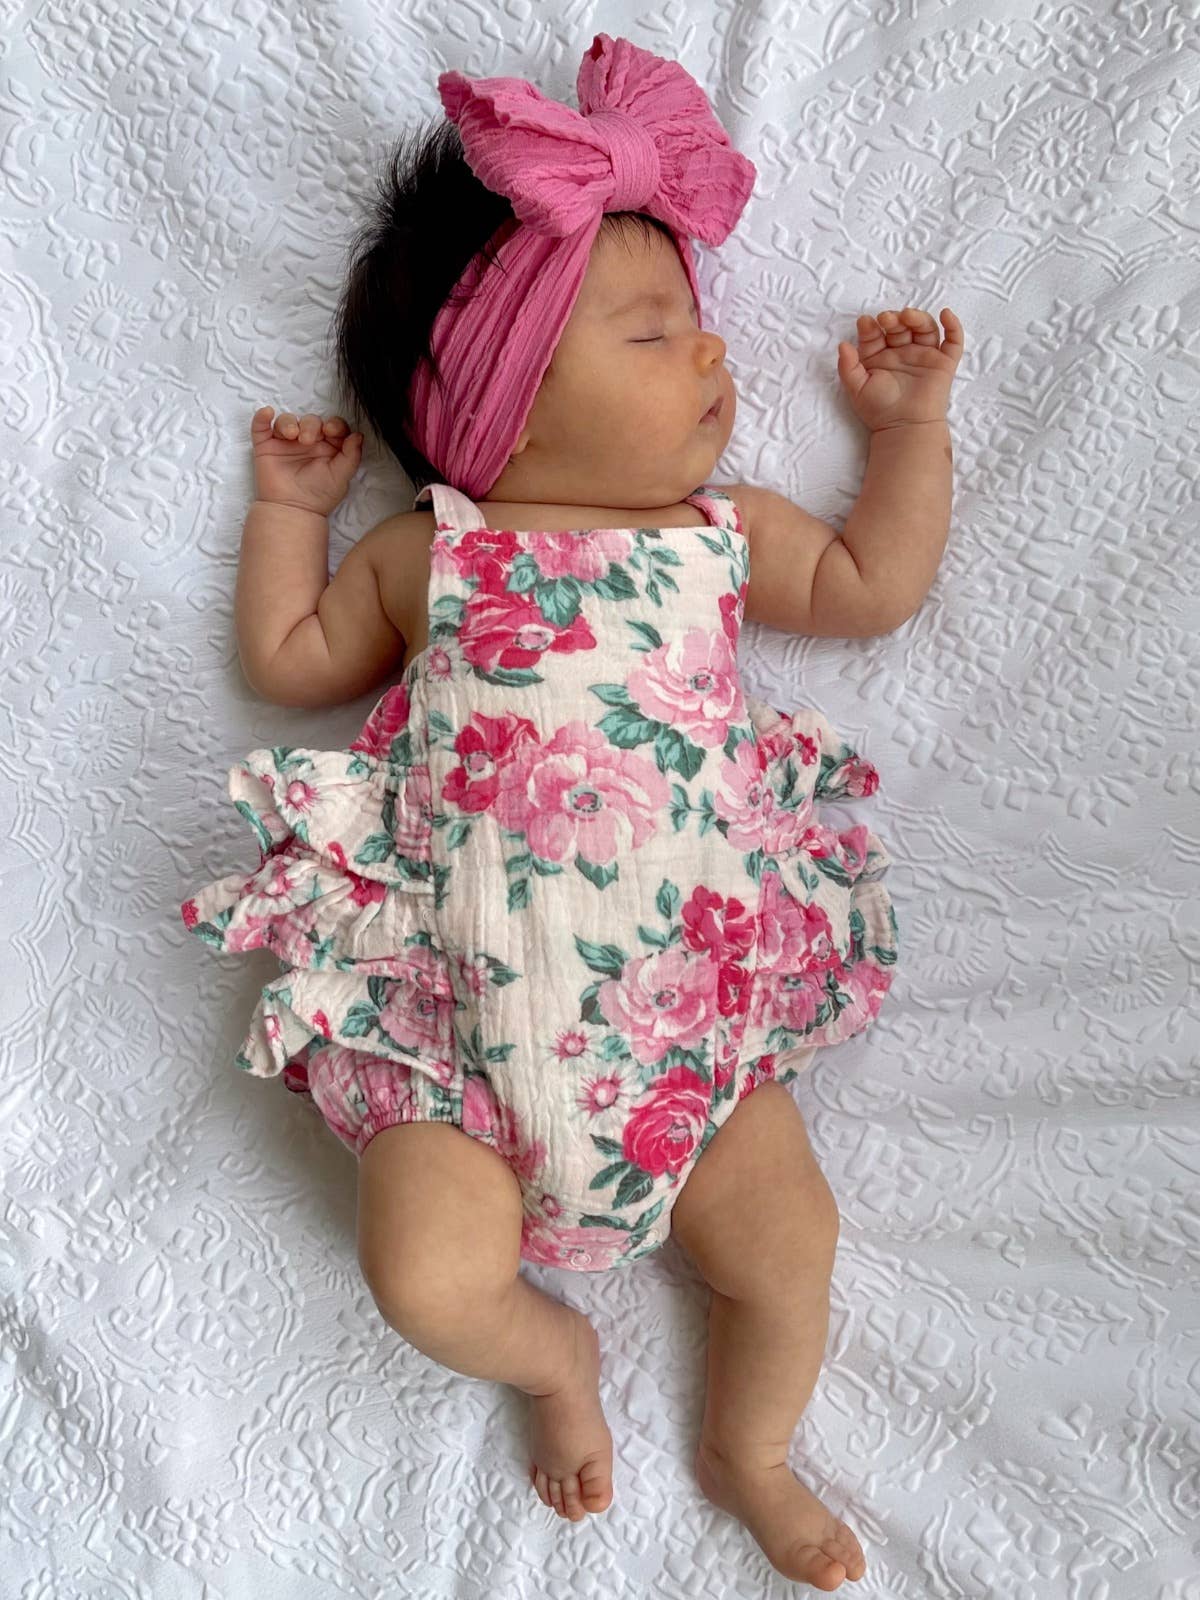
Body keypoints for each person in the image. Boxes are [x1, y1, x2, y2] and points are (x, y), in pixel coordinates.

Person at [179, 32, 962, 1591]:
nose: (711, 352)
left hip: (698, 1045)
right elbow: (290, 663)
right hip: (458, 1054)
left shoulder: (720, 536)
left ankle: (751, 1451)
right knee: (424, 1277)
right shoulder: (436, 552)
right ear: (506, 406)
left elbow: (873, 586)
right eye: (653, 327)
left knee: (788, 1246)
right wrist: (290, 516)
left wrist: (909, 433)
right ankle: (550, 1361)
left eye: (699, 319)